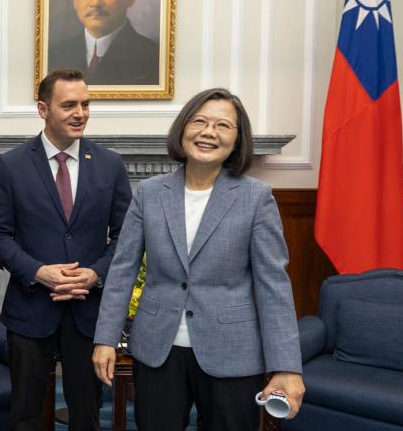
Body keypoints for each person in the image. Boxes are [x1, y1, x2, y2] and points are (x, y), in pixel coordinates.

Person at [92, 88, 305, 431]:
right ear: (183, 129)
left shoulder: (256, 198)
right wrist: (105, 338)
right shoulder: (149, 193)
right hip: (157, 350)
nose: (209, 132)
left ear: (237, 141)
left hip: (233, 353)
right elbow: (121, 272)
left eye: (223, 125)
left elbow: (274, 288)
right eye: (200, 121)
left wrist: (287, 367)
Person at [0, 69, 132, 430]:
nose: (79, 112)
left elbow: (128, 237)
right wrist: (39, 271)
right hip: (31, 309)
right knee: (26, 414)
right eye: (68, 105)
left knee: (88, 414)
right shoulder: (12, 165)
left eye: (85, 104)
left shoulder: (110, 164)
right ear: (42, 109)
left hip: (89, 311)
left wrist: (96, 272)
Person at [49, 0, 159, 85]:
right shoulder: (53, 54)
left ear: (130, 0)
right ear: (75, 2)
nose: (95, 2)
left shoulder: (154, 57)